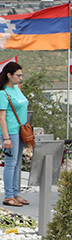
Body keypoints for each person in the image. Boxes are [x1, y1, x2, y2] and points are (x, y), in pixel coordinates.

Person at [0, 63, 28, 208]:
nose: (20, 78)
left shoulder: (16, 89)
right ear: (9, 75)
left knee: (17, 163)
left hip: (21, 130)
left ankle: (15, 193)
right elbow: (1, 117)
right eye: (18, 75)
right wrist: (6, 138)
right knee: (10, 163)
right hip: (11, 131)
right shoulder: (3, 93)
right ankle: (9, 195)